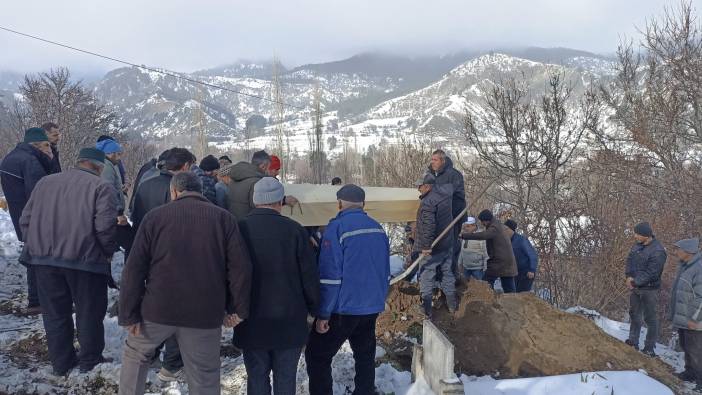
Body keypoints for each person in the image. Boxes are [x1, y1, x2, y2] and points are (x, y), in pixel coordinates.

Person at [118, 172, 252, 395]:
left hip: (157, 309)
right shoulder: (223, 218)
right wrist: (238, 309)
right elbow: (240, 268)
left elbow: (134, 268)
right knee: (204, 374)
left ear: (173, 191)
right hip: (204, 313)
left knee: (135, 357)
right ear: (200, 192)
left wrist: (128, 313)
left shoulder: (155, 217)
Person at [19, 148, 117, 376]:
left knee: (54, 313)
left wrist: (37, 244)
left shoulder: (45, 182)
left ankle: (61, 364)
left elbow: (26, 220)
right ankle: (90, 360)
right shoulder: (102, 187)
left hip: (43, 261)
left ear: (79, 161)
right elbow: (105, 227)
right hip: (85, 261)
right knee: (89, 311)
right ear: (99, 166)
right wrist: (107, 251)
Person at [234, 177, 319, 395]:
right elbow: (309, 275)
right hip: (289, 320)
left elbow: (230, 273)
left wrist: (230, 308)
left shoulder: (239, 229)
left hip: (251, 319)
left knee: (257, 377)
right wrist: (316, 309)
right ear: (279, 202)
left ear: (255, 201)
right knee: (286, 378)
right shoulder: (296, 231)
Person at [306, 184, 390, 395]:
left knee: (317, 355)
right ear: (363, 203)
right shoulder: (378, 228)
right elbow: (383, 269)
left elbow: (330, 276)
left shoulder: (336, 228)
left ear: (340, 203)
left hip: (344, 309)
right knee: (364, 355)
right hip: (370, 306)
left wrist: (323, 314)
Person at [128, 147, 193, 380]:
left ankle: (151, 352)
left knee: (151, 306)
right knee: (176, 310)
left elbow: (135, 217)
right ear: (185, 166)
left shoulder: (145, 183)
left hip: (147, 254)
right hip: (172, 258)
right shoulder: (178, 189)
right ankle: (172, 364)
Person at [0, 127, 54, 314]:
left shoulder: (12, 157)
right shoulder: (31, 161)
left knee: (33, 256)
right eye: (47, 145)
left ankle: (36, 299)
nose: (51, 149)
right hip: (36, 220)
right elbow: (40, 195)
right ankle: (38, 301)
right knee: (39, 260)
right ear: (36, 145)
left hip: (21, 217)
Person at [413, 173, 456, 318]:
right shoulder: (446, 196)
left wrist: (425, 246)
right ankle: (452, 305)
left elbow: (428, 226)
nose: (419, 190)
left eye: (420, 187)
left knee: (426, 275)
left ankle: (426, 310)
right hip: (447, 243)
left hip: (432, 247)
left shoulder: (428, 202)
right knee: (447, 273)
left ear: (428, 186)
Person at [622, 222, 667, 356]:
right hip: (635, 286)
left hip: (650, 290)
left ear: (646, 235)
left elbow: (653, 273)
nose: (635, 236)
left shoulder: (658, 251)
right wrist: (628, 277)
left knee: (650, 318)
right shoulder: (637, 246)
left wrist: (635, 282)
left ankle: (649, 348)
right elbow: (629, 261)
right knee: (634, 314)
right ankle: (633, 341)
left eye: (637, 234)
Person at [669, 238, 702, 390]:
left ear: (688, 251)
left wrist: (693, 319)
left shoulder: (699, 268)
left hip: (694, 320)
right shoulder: (685, 266)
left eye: (679, 249)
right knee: (686, 347)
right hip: (684, 317)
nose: (676, 252)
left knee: (696, 351)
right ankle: (690, 373)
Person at [227, 150, 297, 220]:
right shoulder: (257, 183)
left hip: (237, 224)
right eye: (268, 168)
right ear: (263, 167)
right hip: (250, 227)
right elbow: (263, 207)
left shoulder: (236, 178)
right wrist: (284, 200)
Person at [428, 149, 466, 280]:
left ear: (443, 161)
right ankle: (438, 277)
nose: (432, 162)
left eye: (435, 160)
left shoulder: (453, 175)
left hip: (452, 217)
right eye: (432, 159)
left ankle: (451, 277)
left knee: (450, 247)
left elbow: (453, 196)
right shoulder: (432, 175)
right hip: (437, 217)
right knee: (437, 247)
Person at [461, 210, 517, 293]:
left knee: (486, 282)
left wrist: (464, 236)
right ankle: (511, 300)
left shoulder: (494, 227)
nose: (482, 223)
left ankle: (488, 299)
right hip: (504, 261)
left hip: (499, 261)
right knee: (507, 284)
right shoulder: (496, 224)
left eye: (482, 221)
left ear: (486, 220)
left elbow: (484, 235)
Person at [503, 220, 538, 292]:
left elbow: (532, 255)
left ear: (511, 229)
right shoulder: (506, 241)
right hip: (514, 272)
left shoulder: (521, 240)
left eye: (505, 229)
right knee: (515, 294)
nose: (504, 231)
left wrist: (532, 270)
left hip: (526, 273)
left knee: (523, 294)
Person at [459, 217, 488, 281]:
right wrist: (460, 264)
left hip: (477, 269)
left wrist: (485, 268)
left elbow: (485, 253)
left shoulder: (481, 235)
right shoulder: (465, 235)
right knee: (465, 287)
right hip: (466, 268)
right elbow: (462, 251)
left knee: (478, 288)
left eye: (467, 226)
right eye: (465, 226)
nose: (465, 228)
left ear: (473, 226)